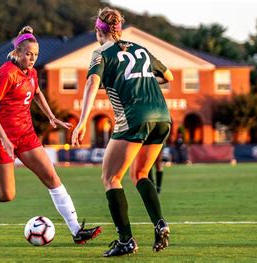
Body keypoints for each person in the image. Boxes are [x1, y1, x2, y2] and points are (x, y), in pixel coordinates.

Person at [0, 26, 101, 244]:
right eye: (28, 54)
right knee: (7, 195)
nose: (32, 59)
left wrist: (50, 116)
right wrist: (4, 138)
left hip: (26, 135)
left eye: (36, 55)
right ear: (18, 52)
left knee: (52, 178)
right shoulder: (6, 73)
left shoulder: (31, 72)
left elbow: (37, 92)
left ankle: (77, 231)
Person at [71, 7, 173, 257]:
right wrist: (143, 80)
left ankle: (126, 240)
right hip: (162, 115)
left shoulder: (101, 53)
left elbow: (92, 83)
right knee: (140, 174)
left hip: (135, 117)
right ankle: (160, 223)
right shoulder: (139, 48)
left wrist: (83, 121)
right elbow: (168, 76)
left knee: (110, 178)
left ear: (98, 31)